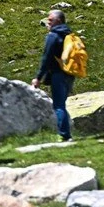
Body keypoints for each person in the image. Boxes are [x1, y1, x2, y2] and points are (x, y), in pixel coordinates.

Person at [31, 9, 75, 142]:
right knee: (62, 103)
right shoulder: (69, 34)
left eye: (50, 20)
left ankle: (64, 135)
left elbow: (46, 58)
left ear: (58, 21)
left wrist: (38, 78)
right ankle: (66, 132)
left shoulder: (53, 36)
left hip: (58, 74)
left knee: (59, 105)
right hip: (70, 74)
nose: (48, 23)